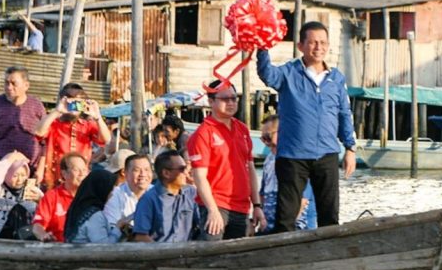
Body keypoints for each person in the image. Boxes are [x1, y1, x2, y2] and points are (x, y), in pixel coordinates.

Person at [256, 21, 356, 232]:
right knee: (286, 218)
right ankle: (284, 259)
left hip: (327, 153)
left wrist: (350, 148)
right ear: (301, 46)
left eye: (322, 43)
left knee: (329, 216)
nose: (318, 47)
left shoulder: (336, 78)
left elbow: (344, 113)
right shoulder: (288, 73)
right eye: (312, 42)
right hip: (293, 155)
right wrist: (262, 47)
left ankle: (328, 259)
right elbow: (267, 74)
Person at [187, 80, 265, 241]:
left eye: (233, 98)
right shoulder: (203, 133)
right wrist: (212, 210)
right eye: (224, 99)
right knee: (212, 256)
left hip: (242, 207)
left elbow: (249, 168)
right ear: (211, 102)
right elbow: (199, 176)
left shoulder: (242, 129)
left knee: (239, 257)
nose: (230, 102)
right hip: (217, 204)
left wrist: (256, 205)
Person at [33, 82, 110, 188]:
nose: (75, 105)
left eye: (79, 101)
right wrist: (57, 111)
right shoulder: (54, 123)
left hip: (80, 180)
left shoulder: (87, 125)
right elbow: (38, 132)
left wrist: (98, 117)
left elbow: (106, 140)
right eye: (71, 100)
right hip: (55, 181)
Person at [0, 67, 46, 175]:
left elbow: (45, 141)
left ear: (26, 85)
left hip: (30, 171)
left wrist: (41, 169)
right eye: (6, 83)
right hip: (1, 170)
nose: (9, 87)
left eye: (13, 83)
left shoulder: (37, 106)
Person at [257, 115, 317, 234]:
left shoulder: (298, 159)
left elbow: (302, 200)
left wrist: (286, 226)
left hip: (297, 226)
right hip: (270, 225)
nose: (266, 143)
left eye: (268, 137)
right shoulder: (269, 160)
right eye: (263, 139)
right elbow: (263, 194)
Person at [133, 150, 200, 243]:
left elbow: (202, 224)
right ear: (166, 173)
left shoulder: (191, 193)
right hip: (160, 254)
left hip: (187, 253)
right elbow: (140, 236)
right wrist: (161, 252)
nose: (186, 172)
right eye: (182, 169)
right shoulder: (148, 199)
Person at [0, 151, 43, 239]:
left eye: (23, 175)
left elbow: (46, 214)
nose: (20, 179)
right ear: (6, 174)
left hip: (26, 242)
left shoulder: (33, 191)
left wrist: (41, 201)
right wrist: (10, 159)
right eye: (15, 176)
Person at [31, 152, 88, 242]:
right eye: (76, 170)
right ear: (64, 173)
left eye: (84, 170)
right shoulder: (52, 196)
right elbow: (38, 225)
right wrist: (44, 235)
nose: (82, 174)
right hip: (58, 248)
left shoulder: (91, 196)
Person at [64, 170, 122, 243]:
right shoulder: (94, 216)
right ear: (101, 189)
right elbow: (104, 248)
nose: (112, 194)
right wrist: (118, 227)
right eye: (110, 190)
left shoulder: (79, 209)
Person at [103, 153, 152, 229]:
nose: (143, 174)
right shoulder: (116, 195)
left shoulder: (157, 192)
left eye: (146, 170)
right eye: (137, 170)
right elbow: (111, 227)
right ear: (125, 173)